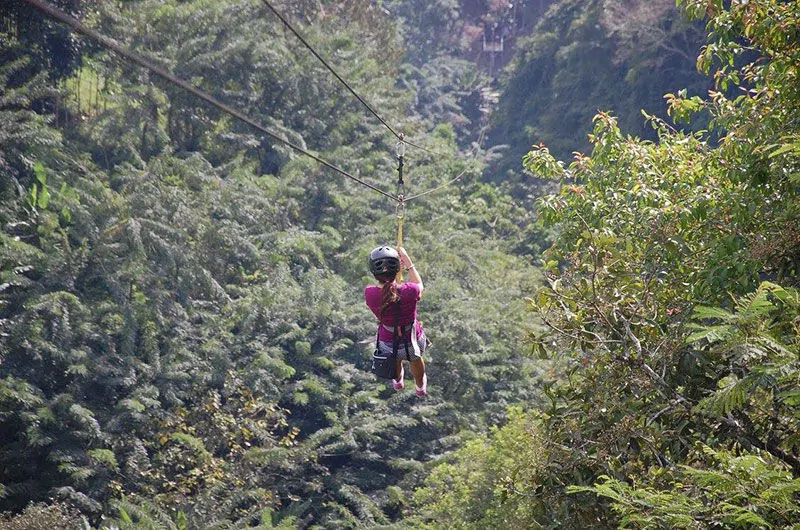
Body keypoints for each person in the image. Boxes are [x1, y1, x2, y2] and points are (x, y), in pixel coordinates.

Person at [365, 246, 428, 397]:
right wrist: (408, 262)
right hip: (411, 337)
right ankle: (420, 387)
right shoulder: (409, 290)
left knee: (394, 357)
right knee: (415, 358)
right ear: (397, 270)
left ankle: (398, 380)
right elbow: (420, 286)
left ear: (374, 272)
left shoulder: (370, 293)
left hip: (388, 338)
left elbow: (388, 292)